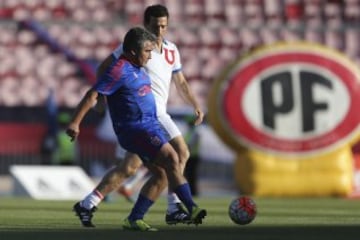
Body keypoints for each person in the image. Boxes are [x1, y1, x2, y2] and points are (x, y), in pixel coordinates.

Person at [72, 4, 205, 228]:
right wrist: (103, 97)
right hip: (146, 115)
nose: (160, 30)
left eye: (164, 26)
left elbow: (180, 81)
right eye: (156, 26)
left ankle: (88, 203)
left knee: (129, 168)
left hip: (152, 115)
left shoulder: (171, 50)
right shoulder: (135, 48)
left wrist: (194, 104)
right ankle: (174, 208)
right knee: (180, 154)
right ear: (146, 24)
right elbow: (105, 68)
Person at [184, 115, 201, 196]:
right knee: (188, 175)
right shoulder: (190, 132)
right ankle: (191, 191)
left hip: (193, 157)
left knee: (191, 176)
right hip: (190, 157)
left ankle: (193, 192)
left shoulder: (195, 133)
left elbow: (190, 145)